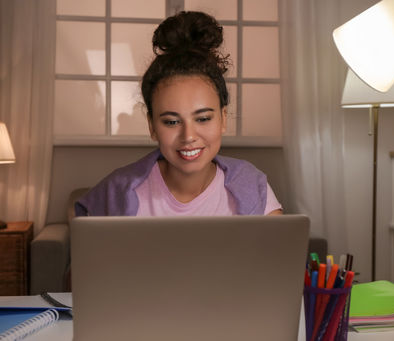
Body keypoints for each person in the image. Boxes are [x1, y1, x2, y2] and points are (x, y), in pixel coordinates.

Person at [75, 11, 282, 217]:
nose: (188, 136)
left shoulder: (251, 184)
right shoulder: (119, 189)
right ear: (152, 126)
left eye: (203, 118)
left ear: (223, 118)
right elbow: (81, 226)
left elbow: (281, 248)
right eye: (172, 122)